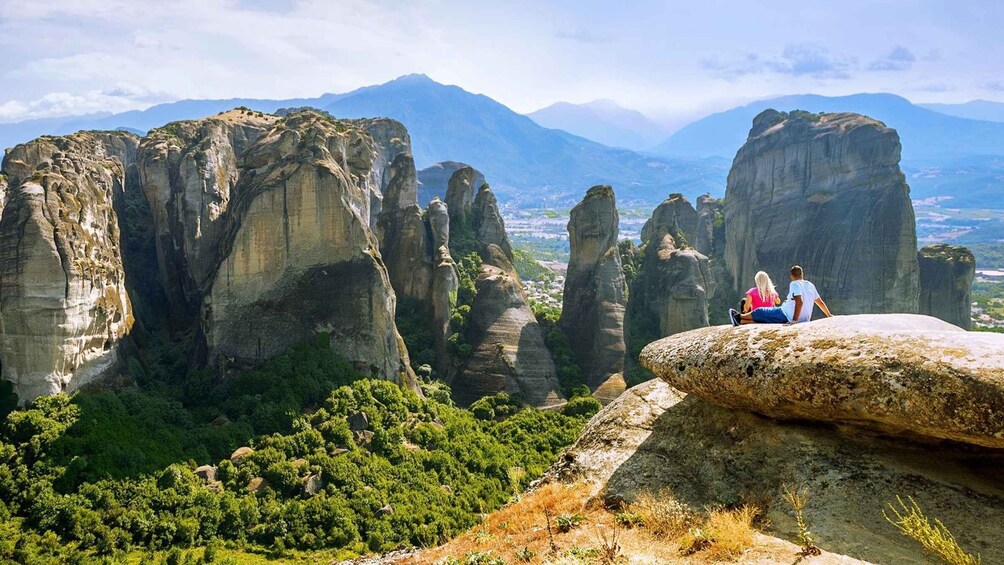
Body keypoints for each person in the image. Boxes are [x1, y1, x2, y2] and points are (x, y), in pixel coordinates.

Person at [729, 265, 833, 326]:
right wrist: (829, 316)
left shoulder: (794, 283)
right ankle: (741, 321)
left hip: (786, 314)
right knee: (764, 318)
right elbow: (820, 302)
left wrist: (794, 320)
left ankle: (738, 316)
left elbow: (799, 301)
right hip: (804, 319)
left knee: (760, 311)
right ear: (802, 274)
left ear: (792, 276)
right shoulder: (810, 285)